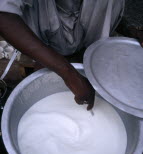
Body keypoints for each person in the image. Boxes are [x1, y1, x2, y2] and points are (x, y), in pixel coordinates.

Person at [0, 0, 142, 110]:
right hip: (40, 45)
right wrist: (68, 74)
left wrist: (129, 30)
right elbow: (4, 15)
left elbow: (103, 9)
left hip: (89, 48)